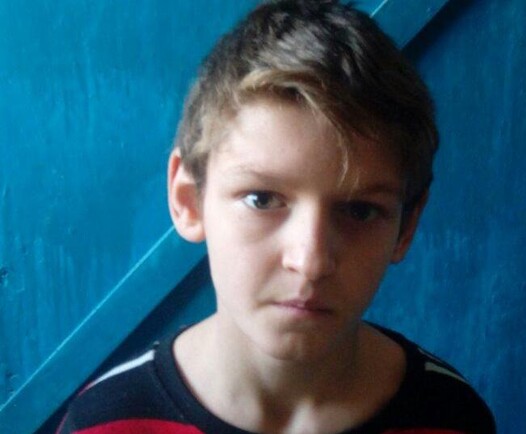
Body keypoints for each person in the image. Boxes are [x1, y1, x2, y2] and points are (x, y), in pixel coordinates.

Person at [57, 1, 495, 433]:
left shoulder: (451, 417)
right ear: (189, 200)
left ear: (406, 226)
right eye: (262, 199)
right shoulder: (104, 423)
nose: (310, 261)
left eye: (360, 210)